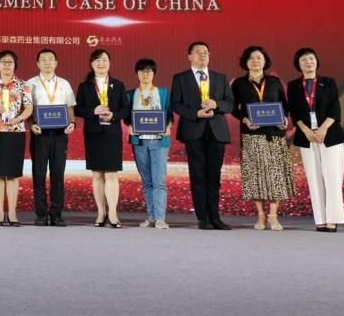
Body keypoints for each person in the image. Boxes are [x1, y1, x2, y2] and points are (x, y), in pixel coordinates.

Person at [171, 41, 235, 230]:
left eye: (206, 52)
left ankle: (215, 217)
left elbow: (230, 103)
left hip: (217, 131)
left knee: (214, 175)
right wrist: (195, 113)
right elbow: (176, 104)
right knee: (198, 174)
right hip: (193, 129)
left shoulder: (220, 77)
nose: (203, 55)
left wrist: (217, 105)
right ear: (190, 57)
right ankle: (203, 218)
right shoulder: (181, 78)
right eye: (198, 52)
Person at [231, 46, 296, 231]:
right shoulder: (239, 83)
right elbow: (233, 107)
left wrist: (284, 118)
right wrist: (244, 118)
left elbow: (284, 105)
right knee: (256, 175)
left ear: (265, 61)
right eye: (251, 58)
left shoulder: (274, 81)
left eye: (259, 57)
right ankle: (261, 215)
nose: (255, 61)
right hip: (251, 134)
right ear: (245, 62)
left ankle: (273, 216)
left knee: (275, 175)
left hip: (275, 134)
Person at [286, 47, 344, 232]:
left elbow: (335, 109)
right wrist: (306, 130)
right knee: (314, 178)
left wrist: (323, 129)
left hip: (330, 134)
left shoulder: (328, 82)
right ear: (298, 64)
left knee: (333, 177)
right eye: (304, 59)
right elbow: (294, 112)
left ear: (317, 61)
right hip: (307, 136)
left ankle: (333, 219)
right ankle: (320, 219)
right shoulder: (293, 86)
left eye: (311, 58)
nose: (308, 62)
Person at [76, 48, 128, 228]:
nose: (101, 63)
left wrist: (113, 115)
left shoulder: (118, 85)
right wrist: (93, 111)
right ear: (92, 64)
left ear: (109, 63)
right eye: (97, 60)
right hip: (93, 134)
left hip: (112, 133)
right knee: (97, 174)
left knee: (112, 173)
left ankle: (113, 212)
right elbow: (78, 109)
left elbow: (125, 109)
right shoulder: (84, 87)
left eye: (105, 60)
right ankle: (101, 212)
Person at [0, 49, 32, 226]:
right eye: (4, 62)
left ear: (15, 65)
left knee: (12, 175)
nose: (7, 65)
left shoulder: (23, 85)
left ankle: (12, 213)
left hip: (16, 132)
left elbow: (29, 107)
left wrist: (19, 119)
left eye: (10, 62)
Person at [26, 48, 76, 227]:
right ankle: (41, 213)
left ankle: (56, 214)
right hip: (40, 133)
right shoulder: (29, 84)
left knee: (57, 174)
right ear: (38, 63)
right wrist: (31, 124)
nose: (47, 62)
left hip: (60, 134)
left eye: (50, 59)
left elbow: (70, 107)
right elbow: (26, 109)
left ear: (56, 63)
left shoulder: (64, 83)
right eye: (43, 59)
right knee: (39, 174)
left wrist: (72, 123)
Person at [125, 58, 172, 230]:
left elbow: (169, 113)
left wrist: (168, 127)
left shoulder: (163, 93)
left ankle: (160, 218)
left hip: (159, 141)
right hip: (140, 142)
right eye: (142, 71)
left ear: (154, 73)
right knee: (147, 182)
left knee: (159, 181)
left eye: (149, 71)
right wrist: (129, 126)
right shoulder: (131, 94)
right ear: (137, 74)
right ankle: (151, 217)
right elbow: (127, 116)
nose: (145, 74)